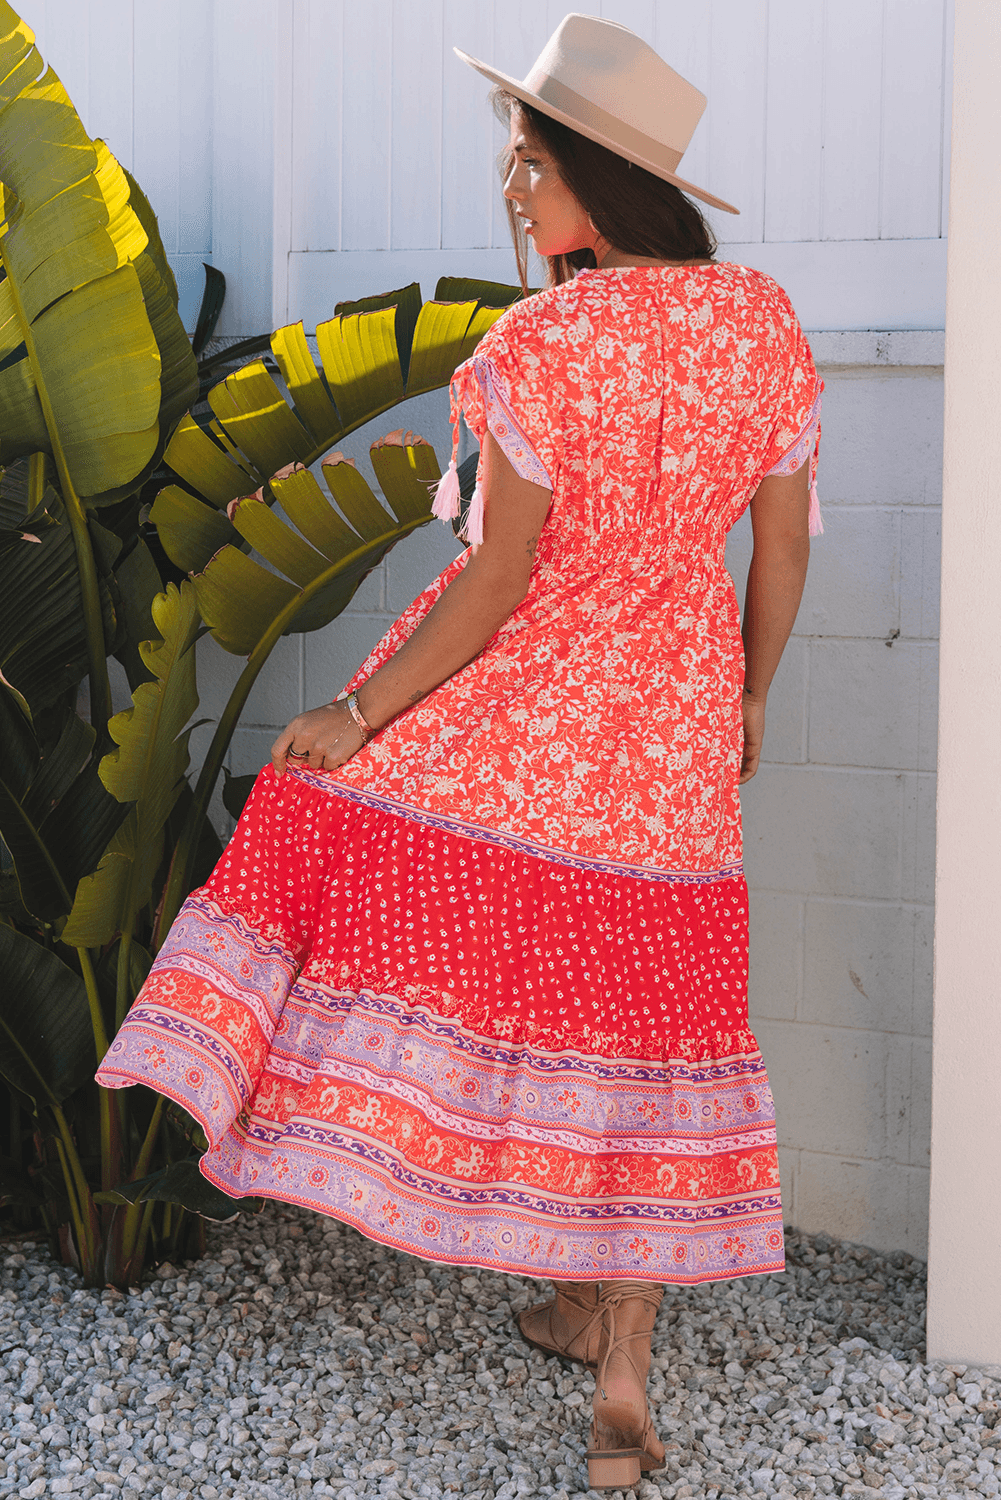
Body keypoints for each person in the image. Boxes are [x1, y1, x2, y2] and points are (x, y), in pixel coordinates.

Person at [97, 15, 822, 1492]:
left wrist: (360, 714)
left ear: (594, 183)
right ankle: (615, 1365)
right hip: (671, 743)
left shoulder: (536, 349)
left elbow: (495, 583)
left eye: (530, 160)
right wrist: (749, 695)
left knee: (322, 815)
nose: (510, 184)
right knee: (645, 1031)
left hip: (528, 725)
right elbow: (786, 547)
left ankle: (466, 1220)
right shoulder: (765, 323)